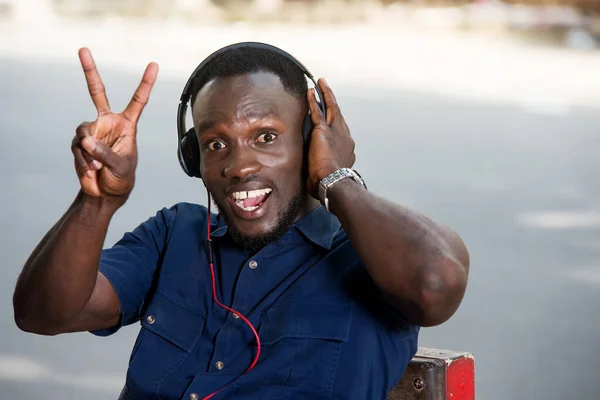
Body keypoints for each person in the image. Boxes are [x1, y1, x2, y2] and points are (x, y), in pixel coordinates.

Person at [12, 43, 470, 400]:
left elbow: (436, 285)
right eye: (215, 144)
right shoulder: (173, 235)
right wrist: (97, 203)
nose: (238, 166)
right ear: (193, 159)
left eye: (266, 136)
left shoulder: (370, 257)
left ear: (314, 140)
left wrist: (336, 179)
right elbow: (43, 313)